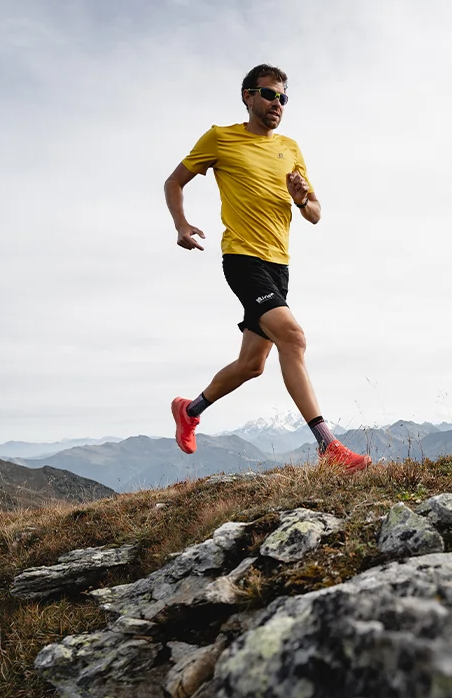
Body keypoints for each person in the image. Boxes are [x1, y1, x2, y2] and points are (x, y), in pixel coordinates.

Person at [163, 63, 372, 473]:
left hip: (279, 266)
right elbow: (174, 182)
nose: (277, 104)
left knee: (252, 365)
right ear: (248, 96)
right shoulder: (221, 139)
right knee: (293, 338)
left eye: (283, 98)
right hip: (242, 259)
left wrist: (300, 198)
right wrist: (181, 224)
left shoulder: (291, 148)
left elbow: (314, 213)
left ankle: (190, 409)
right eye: (269, 94)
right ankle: (328, 447)